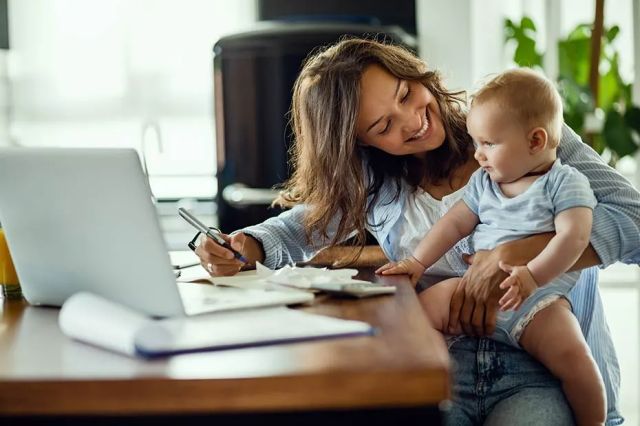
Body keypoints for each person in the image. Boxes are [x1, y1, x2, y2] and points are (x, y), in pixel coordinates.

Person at [195, 38, 640, 425]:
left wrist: (519, 253)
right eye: (384, 125)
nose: (412, 120)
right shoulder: (377, 182)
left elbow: (634, 220)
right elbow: (298, 228)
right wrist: (243, 245)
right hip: (446, 365)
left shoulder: (513, 126)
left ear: (415, 74)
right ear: (361, 143)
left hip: (545, 367)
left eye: (406, 94)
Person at [376, 68, 605, 424]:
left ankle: (595, 420)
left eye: (489, 144)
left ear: (534, 141)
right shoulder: (485, 183)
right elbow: (453, 223)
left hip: (537, 300)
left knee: (576, 359)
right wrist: (418, 263)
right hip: (473, 288)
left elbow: (573, 238)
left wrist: (531, 275)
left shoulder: (565, 183)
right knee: (417, 313)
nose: (478, 155)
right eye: (476, 142)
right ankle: (437, 385)